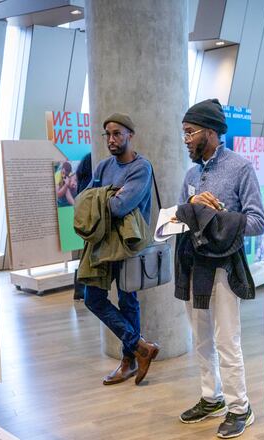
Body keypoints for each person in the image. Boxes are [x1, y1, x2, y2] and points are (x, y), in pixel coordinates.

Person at [176, 99, 264, 439]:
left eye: (189, 132)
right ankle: (210, 398)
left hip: (225, 268)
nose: (185, 139)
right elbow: (178, 219)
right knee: (201, 340)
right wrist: (190, 206)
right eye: (183, 133)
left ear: (210, 132)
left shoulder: (241, 168)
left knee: (227, 341)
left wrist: (217, 215)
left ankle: (240, 407)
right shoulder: (191, 175)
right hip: (192, 266)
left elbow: (258, 221)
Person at [81, 113, 160, 386]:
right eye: (108, 135)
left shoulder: (141, 168)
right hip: (103, 243)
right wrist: (107, 194)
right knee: (93, 298)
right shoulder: (103, 167)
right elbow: (85, 201)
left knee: (129, 301)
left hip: (129, 246)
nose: (112, 139)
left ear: (130, 135)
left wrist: (103, 197)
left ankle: (128, 362)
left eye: (117, 133)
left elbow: (119, 206)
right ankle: (140, 346)